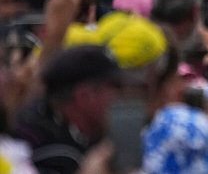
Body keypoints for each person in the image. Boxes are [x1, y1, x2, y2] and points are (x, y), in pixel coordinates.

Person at [12, 45, 124, 173]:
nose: (122, 99)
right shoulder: (36, 146)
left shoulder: (92, 136)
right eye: (117, 88)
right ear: (84, 96)